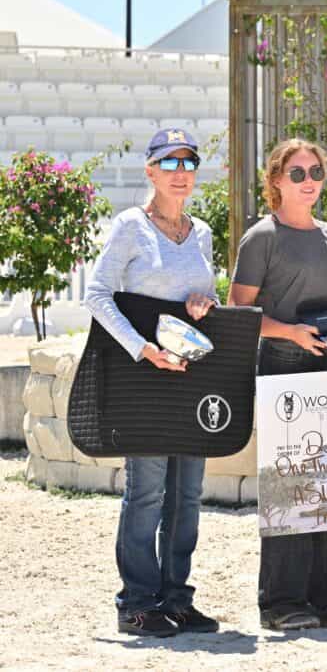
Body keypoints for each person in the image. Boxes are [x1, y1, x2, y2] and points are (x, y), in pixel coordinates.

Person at [228, 138, 327, 632]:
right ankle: (283, 603)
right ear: (275, 180)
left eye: (316, 172)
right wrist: (288, 331)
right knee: (290, 486)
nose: (308, 181)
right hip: (284, 370)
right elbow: (240, 313)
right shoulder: (260, 238)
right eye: (297, 173)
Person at [84, 128, 220, 638]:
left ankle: (177, 598)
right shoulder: (130, 227)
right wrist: (141, 349)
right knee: (146, 495)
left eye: (189, 163)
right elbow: (98, 295)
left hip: (190, 380)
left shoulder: (202, 232)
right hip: (144, 379)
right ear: (150, 171)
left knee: (187, 497)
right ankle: (138, 604)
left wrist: (203, 306)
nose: (180, 173)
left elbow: (200, 302)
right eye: (169, 163)